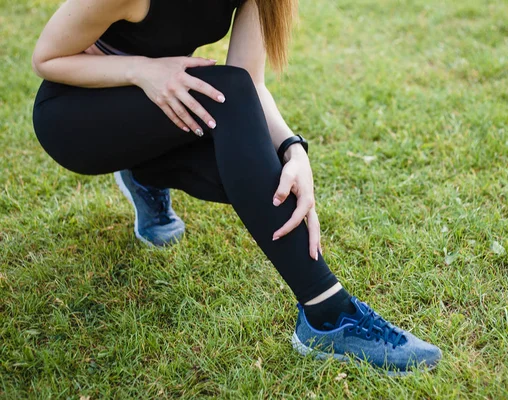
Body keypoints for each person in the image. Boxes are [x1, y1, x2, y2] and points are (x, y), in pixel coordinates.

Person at [31, 0, 441, 375]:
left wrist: (292, 149)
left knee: (258, 175)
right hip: (75, 119)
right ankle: (329, 314)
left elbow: (249, 86)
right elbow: (47, 58)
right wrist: (140, 70)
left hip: (159, 110)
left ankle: (144, 172)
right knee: (230, 104)